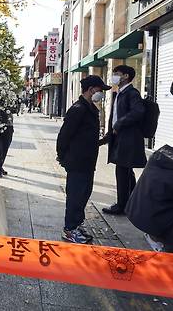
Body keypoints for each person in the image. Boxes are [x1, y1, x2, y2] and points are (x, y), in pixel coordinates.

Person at [57, 75, 111, 244]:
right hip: (77, 162)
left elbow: (87, 139)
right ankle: (69, 230)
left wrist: (105, 140)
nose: (101, 93)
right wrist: (63, 157)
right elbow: (64, 136)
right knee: (75, 196)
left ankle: (76, 225)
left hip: (87, 161)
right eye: (100, 90)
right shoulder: (78, 109)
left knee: (83, 195)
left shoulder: (89, 108)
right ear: (91, 89)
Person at [101, 65, 146, 216]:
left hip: (128, 138)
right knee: (126, 171)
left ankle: (122, 205)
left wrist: (119, 124)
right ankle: (132, 202)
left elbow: (138, 111)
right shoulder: (120, 92)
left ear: (126, 76)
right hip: (121, 136)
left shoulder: (131, 93)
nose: (114, 76)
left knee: (122, 171)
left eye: (117, 74)